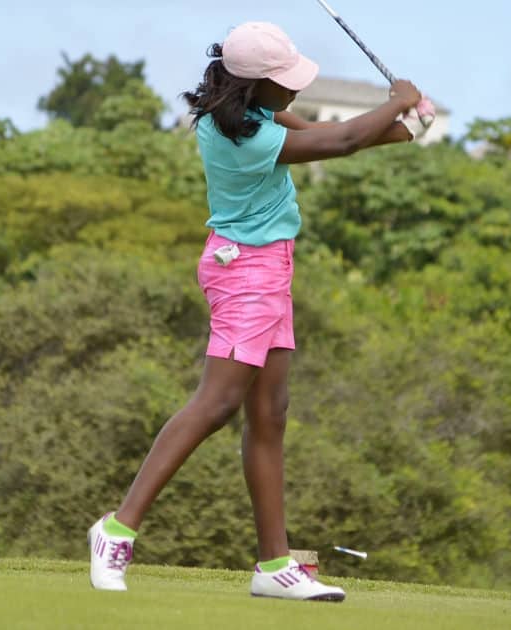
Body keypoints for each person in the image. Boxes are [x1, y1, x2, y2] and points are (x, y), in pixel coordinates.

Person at [88, 21, 429, 602]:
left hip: (268, 271)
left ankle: (274, 564)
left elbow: (329, 134)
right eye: (285, 82)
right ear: (254, 83)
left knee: (269, 414)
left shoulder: (249, 114)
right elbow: (336, 143)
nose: (293, 91)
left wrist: (403, 130)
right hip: (243, 274)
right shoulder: (246, 138)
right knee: (216, 403)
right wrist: (397, 101)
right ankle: (116, 531)